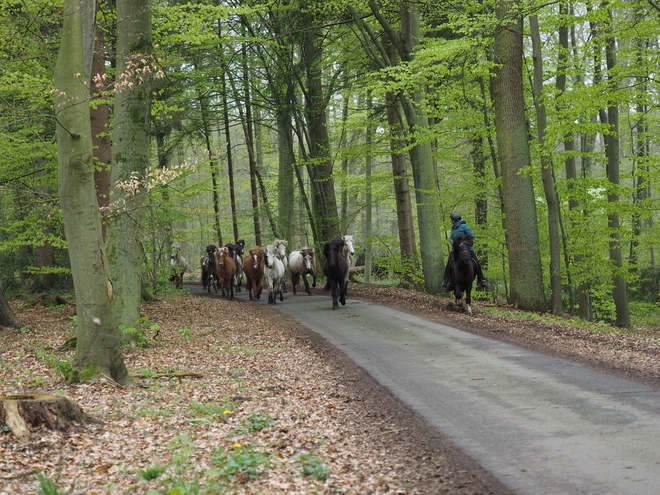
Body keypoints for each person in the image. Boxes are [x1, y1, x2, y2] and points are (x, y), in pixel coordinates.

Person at [441, 213, 488, 290]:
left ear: (454, 220)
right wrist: (454, 243)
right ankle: (445, 280)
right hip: (456, 250)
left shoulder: (464, 226)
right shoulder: (453, 228)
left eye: (451, 220)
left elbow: (472, 235)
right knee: (449, 263)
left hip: (466, 249)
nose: (451, 221)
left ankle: (481, 280)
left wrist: (464, 243)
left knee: (476, 262)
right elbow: (450, 238)